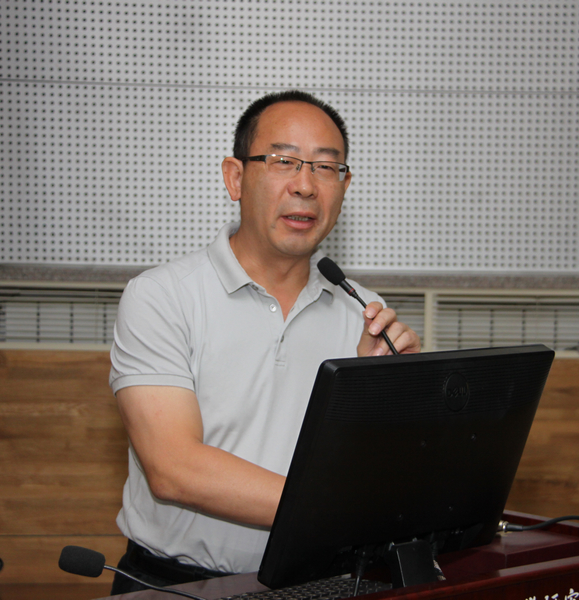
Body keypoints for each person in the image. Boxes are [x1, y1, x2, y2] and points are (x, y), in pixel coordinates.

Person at [108, 90, 421, 593]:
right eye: (283, 162)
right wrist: (347, 510)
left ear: (345, 186)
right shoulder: (162, 297)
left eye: (326, 168)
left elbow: (376, 472)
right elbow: (174, 469)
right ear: (235, 177)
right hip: (175, 583)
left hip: (318, 580)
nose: (306, 186)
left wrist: (386, 395)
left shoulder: (364, 311)